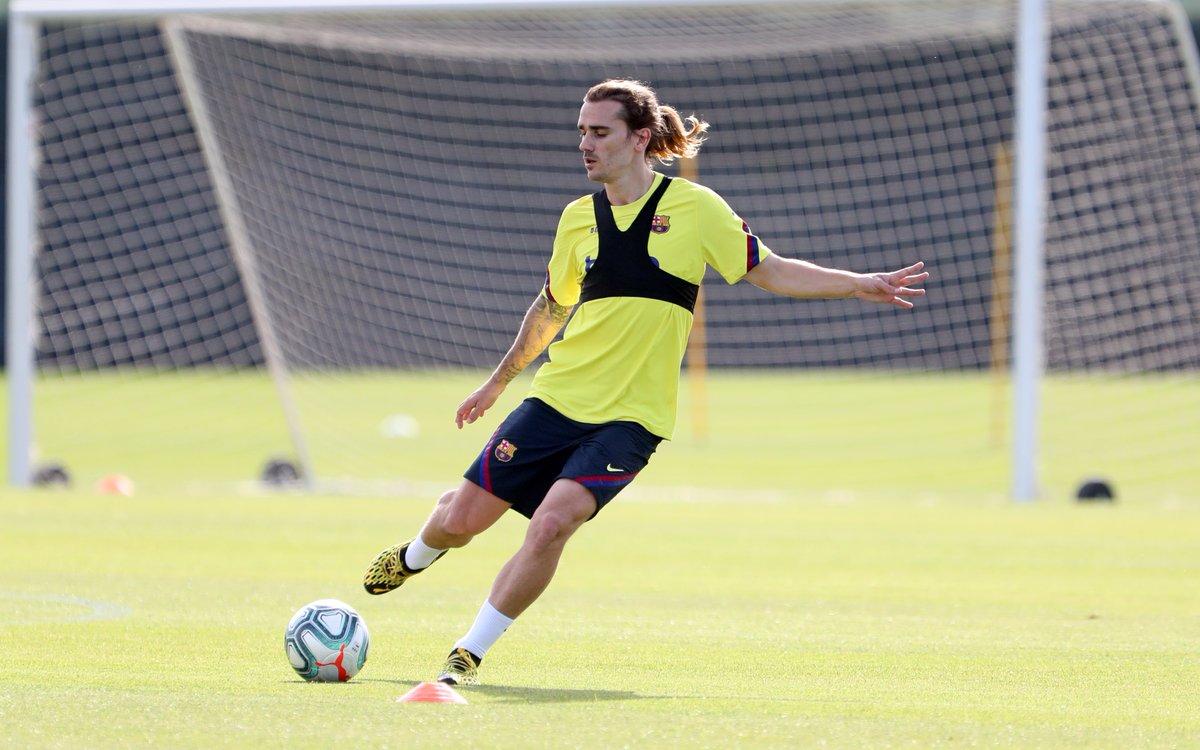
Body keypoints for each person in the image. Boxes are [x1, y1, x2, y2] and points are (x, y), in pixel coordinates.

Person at [363, 79, 929, 686]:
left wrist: (858, 282)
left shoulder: (695, 208)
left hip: (632, 420)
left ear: (639, 139)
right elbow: (550, 310)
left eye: (599, 132)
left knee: (553, 522)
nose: (586, 143)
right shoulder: (576, 220)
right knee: (461, 522)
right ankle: (415, 556)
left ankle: (468, 653)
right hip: (556, 402)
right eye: (581, 131)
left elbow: (769, 269)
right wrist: (497, 384)